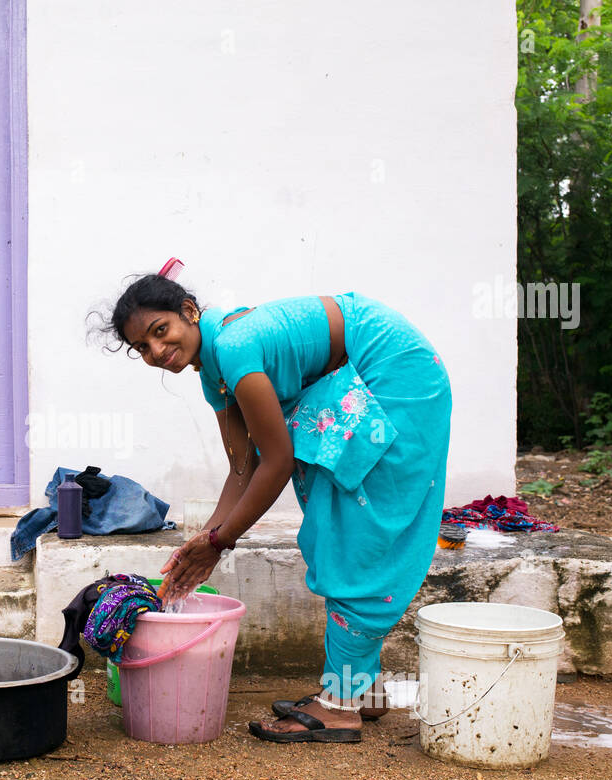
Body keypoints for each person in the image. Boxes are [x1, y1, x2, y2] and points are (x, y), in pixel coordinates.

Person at [95, 266, 452, 743]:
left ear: (188, 312)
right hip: (362, 372)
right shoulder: (214, 374)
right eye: (142, 347)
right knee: (338, 524)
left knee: (351, 531)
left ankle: (341, 705)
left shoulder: (236, 347)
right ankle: (361, 692)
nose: (156, 351)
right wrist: (204, 542)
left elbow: (277, 461)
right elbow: (243, 466)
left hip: (393, 372)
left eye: (160, 331)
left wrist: (221, 542)